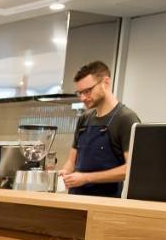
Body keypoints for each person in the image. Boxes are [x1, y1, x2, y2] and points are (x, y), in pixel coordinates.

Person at [60, 61, 141, 197]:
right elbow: (71, 162)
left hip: (106, 204)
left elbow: (132, 169)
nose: (83, 98)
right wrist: (65, 172)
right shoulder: (84, 118)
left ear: (106, 82)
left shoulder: (126, 119)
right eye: (79, 93)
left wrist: (86, 178)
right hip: (75, 199)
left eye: (87, 91)